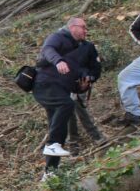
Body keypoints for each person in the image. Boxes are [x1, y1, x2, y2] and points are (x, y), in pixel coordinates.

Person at [33, 17, 101, 175]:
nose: (86, 30)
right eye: (83, 27)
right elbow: (48, 50)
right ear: (72, 27)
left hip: (63, 89)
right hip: (45, 85)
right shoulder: (57, 37)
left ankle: (50, 173)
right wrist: (58, 61)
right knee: (67, 105)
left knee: (58, 129)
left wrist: (88, 81)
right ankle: (51, 145)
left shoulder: (88, 47)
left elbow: (94, 70)